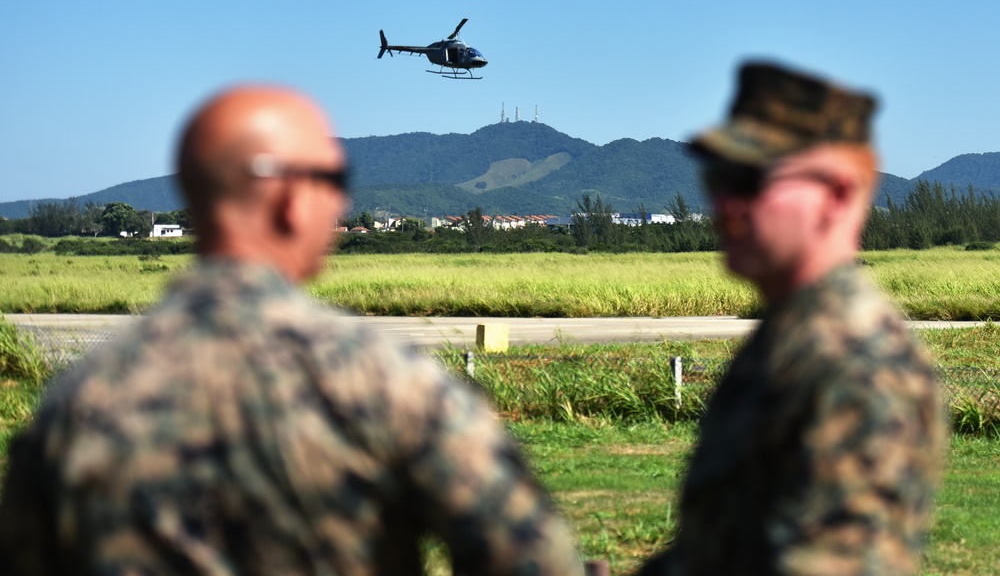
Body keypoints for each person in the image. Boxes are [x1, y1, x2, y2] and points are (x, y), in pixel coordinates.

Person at [0, 85, 582, 576]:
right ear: (287, 201)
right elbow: (536, 559)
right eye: (333, 177)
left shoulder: (75, 406)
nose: (343, 201)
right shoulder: (385, 383)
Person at [637, 62, 945, 575]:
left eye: (748, 179)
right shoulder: (791, 336)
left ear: (838, 195)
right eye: (717, 178)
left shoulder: (857, 371)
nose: (724, 204)